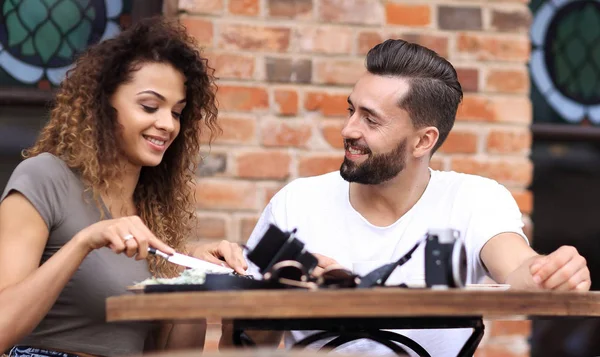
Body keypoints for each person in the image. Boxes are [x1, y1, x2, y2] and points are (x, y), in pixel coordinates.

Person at [240, 39, 591, 356]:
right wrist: (282, 292)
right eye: (352, 111)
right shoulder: (297, 202)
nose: (349, 130)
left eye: (371, 120)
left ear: (423, 141)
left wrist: (551, 273)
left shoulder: (473, 199)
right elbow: (249, 343)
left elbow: (517, 268)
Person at [0, 18, 247, 356]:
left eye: (177, 112)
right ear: (103, 103)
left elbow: (163, 353)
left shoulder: (153, 212)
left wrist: (194, 279)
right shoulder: (44, 178)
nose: (166, 124)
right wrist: (84, 242)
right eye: (150, 106)